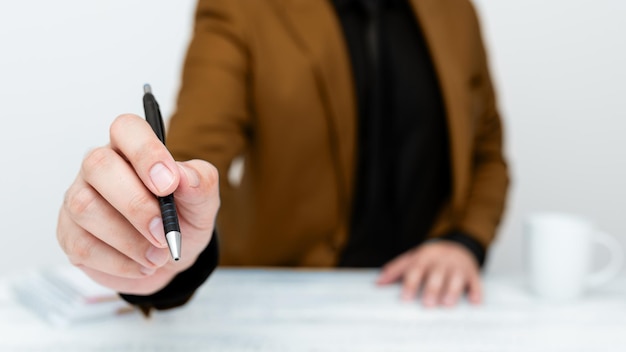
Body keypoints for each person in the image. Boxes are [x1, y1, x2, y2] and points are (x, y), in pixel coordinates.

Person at [57, 0, 509, 312]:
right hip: (293, 297)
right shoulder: (244, 8)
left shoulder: (454, 11)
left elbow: (486, 149)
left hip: (428, 302)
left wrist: (463, 242)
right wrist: (161, 247)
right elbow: (197, 157)